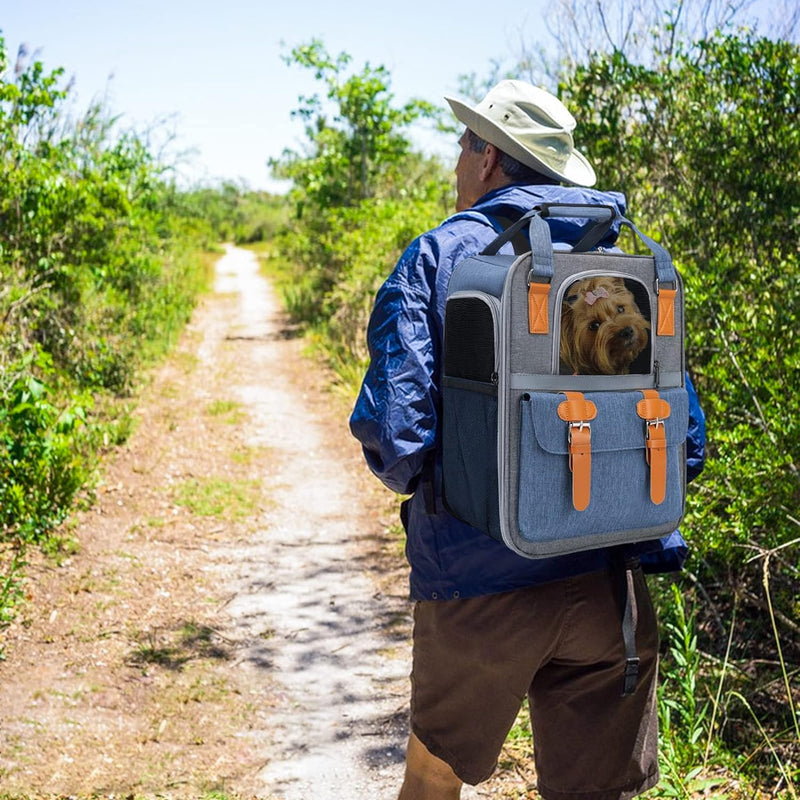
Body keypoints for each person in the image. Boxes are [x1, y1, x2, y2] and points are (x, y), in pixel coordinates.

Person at [349, 80, 706, 800]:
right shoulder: (623, 264)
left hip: (477, 587)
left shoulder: (435, 261)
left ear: (488, 160)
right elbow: (685, 442)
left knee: (432, 778)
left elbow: (398, 439)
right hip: (613, 586)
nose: (456, 164)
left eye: (461, 147)